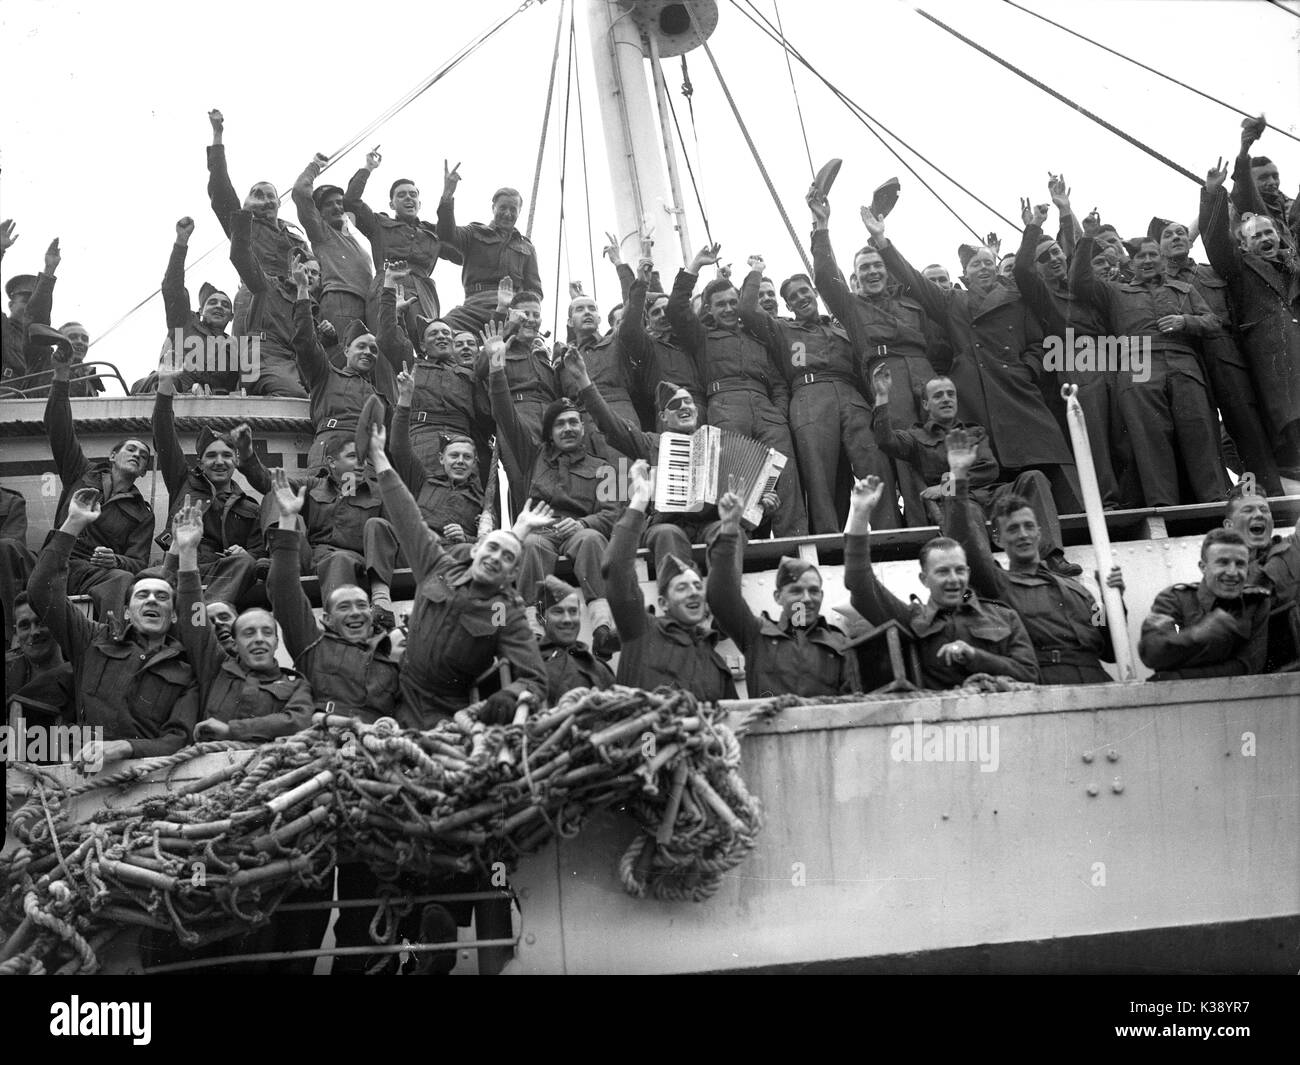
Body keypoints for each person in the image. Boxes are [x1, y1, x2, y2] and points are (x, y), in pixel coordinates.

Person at [865, 204, 1083, 517]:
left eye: (987, 262)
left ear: (995, 267)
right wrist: (882, 242)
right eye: (975, 265)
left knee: (1044, 458)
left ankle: (1071, 525)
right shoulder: (952, 301)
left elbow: (1037, 343)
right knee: (989, 470)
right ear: (965, 275)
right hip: (974, 396)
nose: (983, 268)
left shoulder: (1017, 300)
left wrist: (1027, 369)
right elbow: (912, 278)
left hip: (1016, 391)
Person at [369, 422, 547, 727]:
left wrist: (512, 694)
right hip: (394, 694)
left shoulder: (502, 611)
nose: (495, 558)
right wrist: (379, 457)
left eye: (507, 558)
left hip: (448, 714)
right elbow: (405, 514)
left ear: (514, 571)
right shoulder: (435, 566)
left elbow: (534, 678)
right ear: (476, 549)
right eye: (491, 549)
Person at [28, 488, 199, 765]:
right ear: (128, 611)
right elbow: (41, 593)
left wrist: (125, 748)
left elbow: (178, 739)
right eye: (142, 595)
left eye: (162, 597)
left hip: (156, 780)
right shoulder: (93, 640)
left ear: (175, 614)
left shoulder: (186, 669)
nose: (152, 600)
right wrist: (73, 523)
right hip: (88, 775)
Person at [943, 428, 1125, 684]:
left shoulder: (1079, 591)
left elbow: (1111, 651)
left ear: (1040, 532)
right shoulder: (996, 584)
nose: (1023, 535)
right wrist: (958, 476)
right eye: (1013, 529)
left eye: (1029, 527)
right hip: (1043, 686)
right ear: (997, 539)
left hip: (1098, 681)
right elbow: (961, 537)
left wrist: (1113, 598)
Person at [485, 322, 620, 650]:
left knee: (591, 541)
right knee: (530, 546)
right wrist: (497, 365)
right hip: (542, 531)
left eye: (574, 422)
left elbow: (615, 513)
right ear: (549, 432)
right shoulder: (533, 457)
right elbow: (505, 414)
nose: (570, 428)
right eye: (560, 424)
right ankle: (532, 624)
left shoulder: (603, 468)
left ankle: (602, 624)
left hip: (580, 529)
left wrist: (585, 522)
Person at [1071, 222, 1226, 506]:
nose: (1147, 260)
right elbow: (1080, 281)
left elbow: (1214, 322)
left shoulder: (1184, 289)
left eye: (1153, 254)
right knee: (1149, 438)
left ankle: (1214, 503)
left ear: (1162, 258)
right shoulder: (1114, 291)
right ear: (1132, 261)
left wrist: (1186, 321)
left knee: (1200, 432)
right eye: (1141, 256)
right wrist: (1088, 235)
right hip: (1138, 366)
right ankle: (1162, 506)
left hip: (1184, 364)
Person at [807, 188, 937, 526]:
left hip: (924, 375)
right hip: (886, 376)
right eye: (864, 268)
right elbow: (825, 277)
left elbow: (938, 344)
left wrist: (881, 238)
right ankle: (911, 528)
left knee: (934, 444)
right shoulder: (852, 306)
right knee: (902, 448)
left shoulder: (911, 303)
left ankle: (939, 519)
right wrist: (821, 228)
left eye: (877, 265)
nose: (873, 272)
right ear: (856, 276)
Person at [743, 244, 894, 533]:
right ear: (787, 305)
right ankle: (827, 543)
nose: (801, 298)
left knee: (873, 462)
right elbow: (746, 309)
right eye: (793, 297)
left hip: (850, 393)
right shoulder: (782, 330)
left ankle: (891, 535)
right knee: (819, 475)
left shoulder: (840, 327)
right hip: (809, 396)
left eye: (804, 291)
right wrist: (756, 272)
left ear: (814, 292)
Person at [871, 369, 1081, 576]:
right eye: (938, 395)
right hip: (960, 502)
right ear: (926, 404)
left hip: (993, 495)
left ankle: (1053, 556)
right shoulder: (915, 436)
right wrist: (882, 396)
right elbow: (885, 440)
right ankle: (986, 571)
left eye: (950, 394)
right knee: (966, 508)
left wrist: (945, 486)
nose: (946, 399)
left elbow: (989, 469)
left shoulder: (974, 432)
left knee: (1034, 477)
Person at [844, 474, 1038, 687]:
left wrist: (974, 656)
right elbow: (860, 584)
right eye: (943, 572)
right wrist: (860, 515)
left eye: (959, 570)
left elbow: (1029, 674)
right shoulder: (911, 618)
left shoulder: (1004, 616)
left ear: (968, 572)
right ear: (924, 579)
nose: (954, 579)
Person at [667, 242, 808, 536]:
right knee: (737, 478)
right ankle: (746, 543)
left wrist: (778, 413)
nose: (729, 309)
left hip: (765, 408)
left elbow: (778, 383)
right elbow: (677, 309)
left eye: (733, 302)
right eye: (721, 305)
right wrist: (694, 267)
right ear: (709, 309)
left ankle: (794, 541)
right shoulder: (701, 336)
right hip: (726, 405)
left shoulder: (755, 338)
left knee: (785, 476)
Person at [1149, 214, 1281, 495]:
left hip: (1224, 352)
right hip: (1186, 358)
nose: (1177, 238)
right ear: (1158, 247)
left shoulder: (1213, 272)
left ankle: (1270, 496)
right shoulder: (1156, 283)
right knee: (1201, 428)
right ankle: (1221, 497)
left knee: (1246, 427)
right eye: (1169, 235)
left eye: (1181, 233)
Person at [1014, 196, 1125, 509]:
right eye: (1044, 258)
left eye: (1056, 252)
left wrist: (1066, 210)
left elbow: (1078, 250)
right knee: (1095, 435)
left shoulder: (1083, 286)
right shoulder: (1042, 294)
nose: (1053, 259)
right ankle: (1107, 499)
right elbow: (1021, 268)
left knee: (1122, 430)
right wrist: (1034, 226)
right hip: (1075, 361)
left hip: (1111, 358)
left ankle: (1129, 494)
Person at [171, 501, 314, 742]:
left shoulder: (295, 684)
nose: (259, 639)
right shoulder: (215, 668)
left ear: (277, 640)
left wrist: (233, 730)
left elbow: (299, 721)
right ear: (235, 643)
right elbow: (194, 618)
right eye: (248, 633)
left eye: (266, 632)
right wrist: (187, 552)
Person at [1201, 158, 1300, 479]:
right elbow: (1215, 241)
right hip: (1275, 366)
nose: (1265, 239)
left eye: (1269, 232)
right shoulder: (1241, 268)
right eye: (1256, 236)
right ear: (1244, 243)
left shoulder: (1294, 268)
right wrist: (1212, 194)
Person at [707, 489, 859, 698]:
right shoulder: (756, 634)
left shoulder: (840, 643)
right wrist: (729, 529)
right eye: (796, 591)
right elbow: (721, 598)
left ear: (822, 596)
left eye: (813, 591)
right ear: (778, 597)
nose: (806, 598)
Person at [605, 460, 737, 700]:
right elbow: (616, 569)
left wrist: (729, 527)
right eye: (682, 587)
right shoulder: (641, 631)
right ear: (663, 604)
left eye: (697, 586)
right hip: (650, 739)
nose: (694, 592)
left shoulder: (713, 659)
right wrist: (641, 499)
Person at [44, 347, 154, 619]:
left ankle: (110, 643)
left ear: (143, 472)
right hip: (58, 561)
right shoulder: (80, 471)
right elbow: (59, 429)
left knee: (120, 578)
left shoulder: (143, 513)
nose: (137, 455)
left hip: (96, 573)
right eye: (131, 449)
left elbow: (138, 562)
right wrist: (61, 377)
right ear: (113, 456)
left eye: (143, 456)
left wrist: (115, 560)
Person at [153, 363, 265, 606]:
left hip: (225, 574)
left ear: (236, 461)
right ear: (200, 463)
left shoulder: (251, 507)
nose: (219, 462)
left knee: (246, 563)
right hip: (182, 566)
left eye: (226, 455)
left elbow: (258, 552)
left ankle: (209, 615)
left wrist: (246, 555)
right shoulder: (182, 481)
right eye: (211, 456)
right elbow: (163, 434)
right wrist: (165, 385)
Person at [205, 110, 310, 343]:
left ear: (279, 202)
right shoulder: (243, 227)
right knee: (250, 362)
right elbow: (220, 187)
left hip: (294, 302)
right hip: (255, 298)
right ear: (245, 204)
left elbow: (314, 270)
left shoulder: (297, 238)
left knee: (295, 365)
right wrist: (217, 134)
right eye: (256, 194)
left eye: (270, 195)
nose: (264, 199)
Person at [378, 261, 492, 473]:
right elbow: (387, 338)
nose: (441, 336)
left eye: (446, 333)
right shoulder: (412, 365)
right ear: (422, 345)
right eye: (434, 333)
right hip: (422, 440)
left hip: (462, 443)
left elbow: (487, 414)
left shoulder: (469, 374)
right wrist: (389, 289)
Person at [288, 258, 389, 467]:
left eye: (373, 350)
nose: (368, 352)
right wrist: (302, 290)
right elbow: (305, 341)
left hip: (367, 460)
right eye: (360, 346)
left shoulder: (379, 397)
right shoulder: (326, 375)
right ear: (345, 350)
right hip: (329, 452)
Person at [345, 148, 460, 331]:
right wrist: (368, 168)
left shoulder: (433, 233)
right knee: (385, 340)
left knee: (428, 340)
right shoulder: (378, 224)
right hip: (387, 286)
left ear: (419, 204)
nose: (408, 198)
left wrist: (447, 196)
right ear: (392, 204)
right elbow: (350, 202)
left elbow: (459, 250)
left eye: (413, 195)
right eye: (401, 195)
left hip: (423, 291)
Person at [1139, 529, 1271, 680]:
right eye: (1223, 563)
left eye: (1240, 564)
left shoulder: (1255, 603)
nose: (1233, 572)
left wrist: (1178, 675)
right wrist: (1198, 634)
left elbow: (1249, 666)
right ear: (1203, 567)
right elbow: (1153, 653)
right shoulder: (1174, 601)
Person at [437, 164, 542, 336]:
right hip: (474, 309)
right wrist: (447, 195)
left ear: (519, 212)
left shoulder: (527, 248)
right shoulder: (474, 233)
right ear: (493, 207)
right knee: (439, 330)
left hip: (512, 313)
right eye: (503, 208)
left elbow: (534, 289)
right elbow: (446, 235)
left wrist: (527, 313)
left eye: (513, 209)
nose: (508, 213)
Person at [393, 366, 492, 543]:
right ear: (441, 459)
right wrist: (405, 399)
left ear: (475, 462)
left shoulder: (482, 501)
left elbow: (488, 542)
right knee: (377, 526)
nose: (460, 461)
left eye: (467, 457)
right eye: (454, 456)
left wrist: (466, 538)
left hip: (453, 552)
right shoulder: (423, 481)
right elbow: (399, 446)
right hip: (418, 548)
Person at [228, 207, 316, 398]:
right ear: (290, 269)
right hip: (265, 357)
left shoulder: (311, 308)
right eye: (302, 267)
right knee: (294, 396)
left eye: (313, 273)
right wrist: (244, 216)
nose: (306, 274)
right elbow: (240, 255)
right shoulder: (266, 285)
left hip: (296, 365)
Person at [292, 153, 373, 339]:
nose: (337, 207)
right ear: (319, 214)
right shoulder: (322, 232)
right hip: (342, 300)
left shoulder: (351, 239)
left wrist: (367, 167)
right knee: (340, 358)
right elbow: (300, 192)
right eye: (329, 204)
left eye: (340, 202)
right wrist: (315, 166)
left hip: (365, 303)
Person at [162, 217, 240, 395]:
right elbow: (172, 288)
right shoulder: (185, 322)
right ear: (200, 311)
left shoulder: (233, 349)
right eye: (212, 302)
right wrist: (181, 243)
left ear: (231, 316)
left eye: (225, 305)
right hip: (168, 391)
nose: (219, 306)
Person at [473, 289, 558, 446]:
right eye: (525, 314)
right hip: (518, 414)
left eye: (536, 315)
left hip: (552, 417)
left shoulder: (544, 354)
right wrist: (509, 327)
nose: (531, 319)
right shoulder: (502, 347)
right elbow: (481, 369)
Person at [535, 576, 615, 705]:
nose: (567, 619)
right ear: (540, 618)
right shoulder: (526, 664)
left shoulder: (600, 669)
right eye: (558, 611)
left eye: (573, 611)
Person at [7, 592, 73, 733]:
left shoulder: (78, 676)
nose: (34, 632)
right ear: (16, 633)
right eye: (24, 625)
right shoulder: (9, 674)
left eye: (41, 622)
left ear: (58, 624)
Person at [1, 234, 60, 388]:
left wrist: (49, 271)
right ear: (11, 304)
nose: (29, 308)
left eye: (32, 303)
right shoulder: (3, 327)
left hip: (31, 402)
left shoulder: (39, 339)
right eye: (25, 302)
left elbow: (38, 314)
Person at [0, 483, 37, 646]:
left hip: (10, 568)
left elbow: (13, 541)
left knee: (5, 547)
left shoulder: (12, 502)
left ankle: (11, 637)